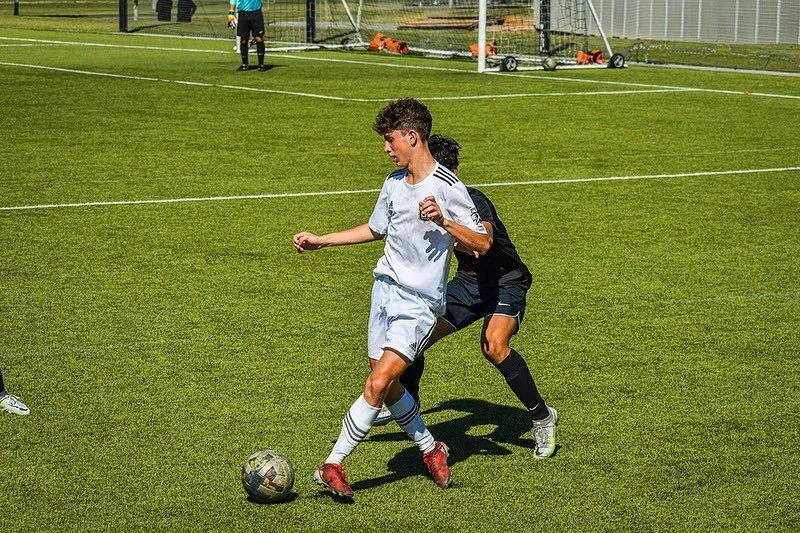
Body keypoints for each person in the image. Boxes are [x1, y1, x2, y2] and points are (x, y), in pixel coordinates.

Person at [293, 99, 490, 499]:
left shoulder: (450, 189)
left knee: (379, 381)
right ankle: (430, 447)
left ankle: (332, 464)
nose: (387, 147)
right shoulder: (393, 182)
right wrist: (322, 240)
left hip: (419, 304)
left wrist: (444, 221)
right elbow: (375, 227)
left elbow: (482, 243)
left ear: (412, 137)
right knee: (391, 385)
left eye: (390, 139)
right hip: (383, 290)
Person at [374, 135, 558, 459]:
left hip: (505, 283)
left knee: (494, 347)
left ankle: (542, 417)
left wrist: (443, 223)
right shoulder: (424, 201)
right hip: (468, 284)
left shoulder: (472, 199)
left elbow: (483, 242)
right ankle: (406, 401)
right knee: (415, 335)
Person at [228, 0, 267, 71]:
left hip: (256, 13)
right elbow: (233, 1)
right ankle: (244, 65)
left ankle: (261, 65)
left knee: (259, 38)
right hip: (243, 14)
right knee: (244, 40)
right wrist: (230, 14)